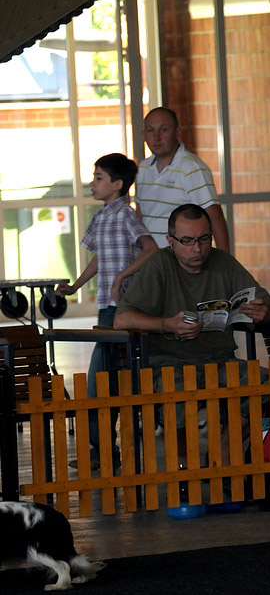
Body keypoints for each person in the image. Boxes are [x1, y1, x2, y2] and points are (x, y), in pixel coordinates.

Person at [114, 204, 270, 464]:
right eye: (187, 241)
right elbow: (121, 319)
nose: (197, 248)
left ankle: (224, 447)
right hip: (169, 362)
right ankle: (185, 463)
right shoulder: (159, 263)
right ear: (170, 241)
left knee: (268, 384)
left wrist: (264, 311)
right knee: (180, 392)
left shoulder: (223, 261)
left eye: (204, 239)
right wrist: (167, 324)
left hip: (220, 360)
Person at [56, 153, 158, 469]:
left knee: (99, 381)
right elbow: (100, 258)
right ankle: (104, 450)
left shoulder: (125, 215)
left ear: (117, 185)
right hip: (106, 310)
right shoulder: (101, 217)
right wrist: (75, 287)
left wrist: (122, 277)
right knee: (104, 380)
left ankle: (104, 451)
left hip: (122, 310)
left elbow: (151, 249)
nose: (92, 183)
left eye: (99, 177)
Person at [135, 107, 230, 252]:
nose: (156, 137)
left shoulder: (192, 168)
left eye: (164, 130)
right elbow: (140, 215)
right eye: (150, 130)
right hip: (149, 258)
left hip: (181, 259)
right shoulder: (143, 168)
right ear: (143, 135)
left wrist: (225, 261)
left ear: (178, 132)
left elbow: (215, 217)